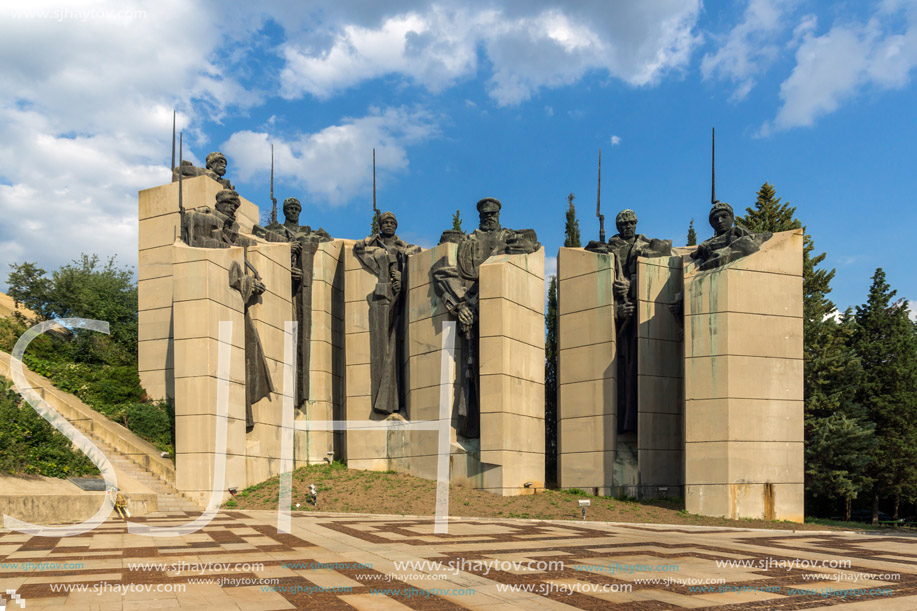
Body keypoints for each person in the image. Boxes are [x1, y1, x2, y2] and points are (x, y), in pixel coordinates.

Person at [433, 197, 540, 438]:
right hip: (470, 310)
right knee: (471, 370)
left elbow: (531, 241)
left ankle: (500, 432)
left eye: (492, 215)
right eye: (484, 216)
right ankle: (474, 428)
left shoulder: (508, 238)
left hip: (500, 312)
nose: (489, 219)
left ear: (499, 216)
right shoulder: (468, 242)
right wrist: (461, 306)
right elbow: (442, 272)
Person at [600, 209, 675, 434]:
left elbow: (662, 254)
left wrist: (633, 286)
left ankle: (633, 424)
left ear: (636, 223)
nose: (627, 227)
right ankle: (624, 425)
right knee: (622, 373)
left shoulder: (648, 245)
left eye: (631, 223)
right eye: (623, 225)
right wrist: (616, 308)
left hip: (642, 315)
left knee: (638, 372)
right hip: (621, 319)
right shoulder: (610, 248)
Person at [353, 212, 421, 414]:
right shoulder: (374, 246)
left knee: (396, 342)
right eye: (385, 223)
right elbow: (359, 248)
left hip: (402, 297)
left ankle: (395, 398)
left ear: (396, 226)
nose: (389, 225)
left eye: (392, 222)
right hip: (383, 299)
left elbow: (415, 253)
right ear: (380, 226)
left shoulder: (404, 246)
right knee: (384, 344)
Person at [690, 201, 771, 271]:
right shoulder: (705, 245)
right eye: (715, 219)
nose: (720, 221)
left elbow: (754, 241)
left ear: (731, 218)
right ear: (711, 223)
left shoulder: (738, 231)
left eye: (724, 216)